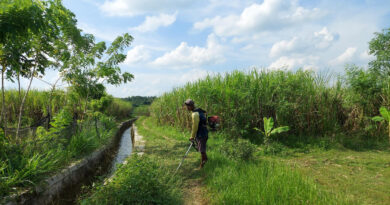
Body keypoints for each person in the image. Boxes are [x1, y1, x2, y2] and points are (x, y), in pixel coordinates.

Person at [184, 99, 208, 168]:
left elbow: (195, 126)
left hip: (201, 134)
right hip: (204, 132)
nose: (187, 107)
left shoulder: (195, 114)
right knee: (201, 148)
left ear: (192, 106)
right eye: (186, 106)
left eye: (188, 106)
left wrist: (192, 136)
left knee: (202, 150)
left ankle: (202, 165)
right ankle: (205, 160)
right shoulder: (199, 111)